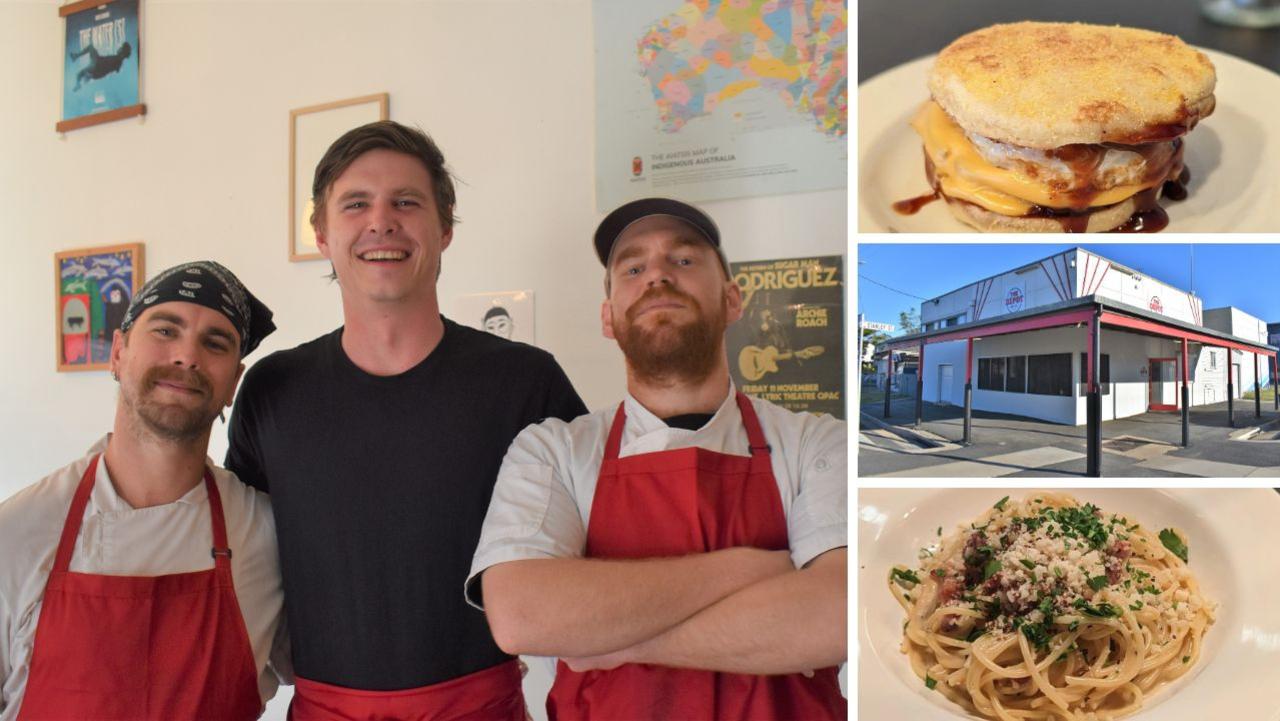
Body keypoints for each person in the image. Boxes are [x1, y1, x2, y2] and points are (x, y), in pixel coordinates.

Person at [225, 120, 587, 720]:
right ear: (321, 232)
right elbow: (240, 558)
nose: (381, 222)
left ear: (445, 228)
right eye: (356, 203)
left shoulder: (526, 382)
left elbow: (596, 548)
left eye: (406, 202)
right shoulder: (271, 389)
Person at [468, 198, 848, 720]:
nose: (658, 276)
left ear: (734, 300)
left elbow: (836, 615)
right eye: (633, 267)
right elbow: (522, 615)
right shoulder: (552, 449)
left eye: (685, 260)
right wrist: (756, 568)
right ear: (608, 316)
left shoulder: (818, 442)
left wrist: (613, 643)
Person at [0, 261, 286, 720]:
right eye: (165, 331)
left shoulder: (266, 533)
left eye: (215, 343)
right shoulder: (17, 533)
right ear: (117, 352)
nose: (187, 355)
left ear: (234, 381)